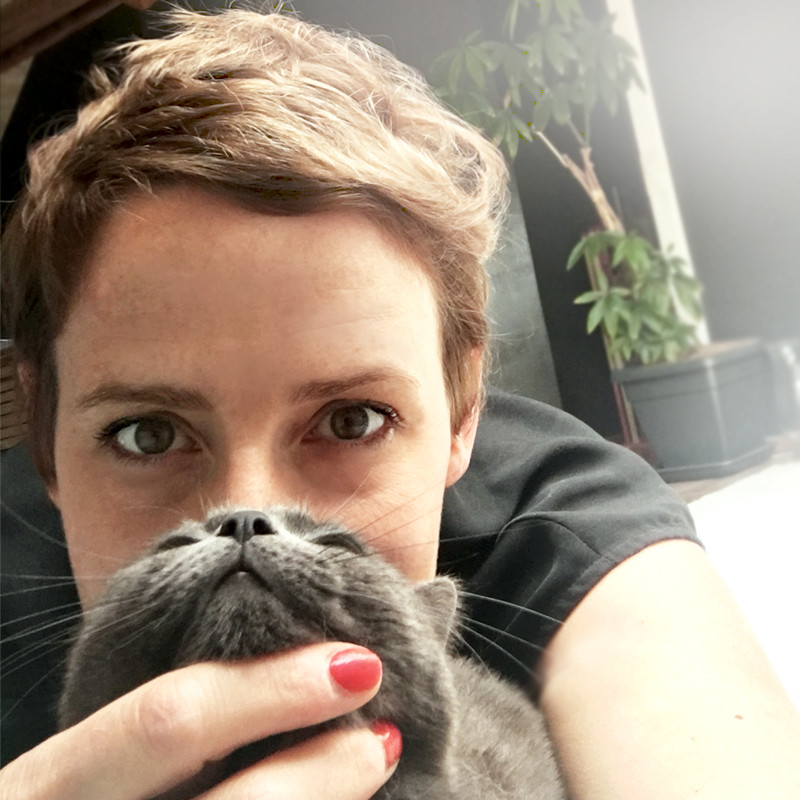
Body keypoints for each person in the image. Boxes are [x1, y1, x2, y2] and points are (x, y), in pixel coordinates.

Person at [1, 8, 798, 799]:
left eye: (351, 421)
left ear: (462, 413)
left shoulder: (561, 520)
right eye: (146, 434)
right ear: (44, 441)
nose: (249, 513)